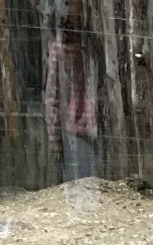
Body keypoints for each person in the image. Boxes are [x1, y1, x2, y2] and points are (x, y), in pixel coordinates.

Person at [44, 0, 101, 182]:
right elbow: (53, 94)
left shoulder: (100, 42)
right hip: (78, 132)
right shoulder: (60, 47)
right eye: (67, 3)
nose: (71, 7)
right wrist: (54, 137)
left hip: (105, 129)